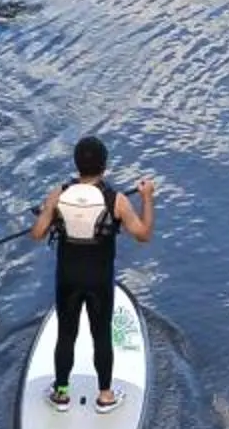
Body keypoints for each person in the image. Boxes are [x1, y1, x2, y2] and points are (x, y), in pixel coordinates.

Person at [31, 136, 154, 410]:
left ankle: (61, 393)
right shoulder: (116, 201)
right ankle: (106, 396)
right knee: (101, 335)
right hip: (99, 280)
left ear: (76, 165)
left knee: (66, 334)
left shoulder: (58, 194)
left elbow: (37, 233)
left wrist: (47, 211)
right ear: (104, 166)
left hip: (67, 279)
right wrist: (146, 198)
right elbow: (143, 234)